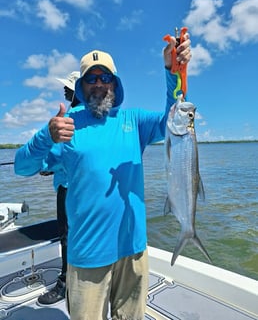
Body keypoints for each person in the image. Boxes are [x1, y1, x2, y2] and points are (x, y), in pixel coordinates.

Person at [14, 32, 191, 320]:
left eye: (105, 77)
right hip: (86, 258)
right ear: (82, 86)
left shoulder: (133, 121)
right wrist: (45, 136)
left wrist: (174, 71)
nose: (99, 84)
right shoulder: (67, 127)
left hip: (133, 252)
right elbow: (21, 167)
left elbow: (176, 117)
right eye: (91, 78)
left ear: (115, 83)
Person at [38, 71, 80, 305]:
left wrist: (46, 165)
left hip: (68, 188)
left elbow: (55, 159)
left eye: (69, 87)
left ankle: (65, 283)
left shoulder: (70, 117)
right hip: (83, 187)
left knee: (66, 236)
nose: (64, 90)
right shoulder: (91, 116)